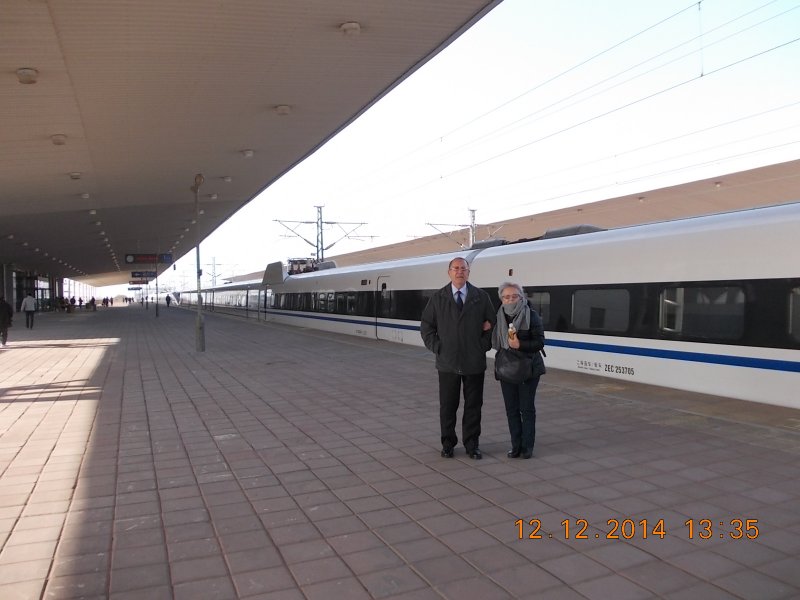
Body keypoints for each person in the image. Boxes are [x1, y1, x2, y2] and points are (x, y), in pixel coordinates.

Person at [420, 257, 496, 459]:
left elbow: (492, 324)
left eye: (463, 268)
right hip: (448, 362)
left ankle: (472, 444)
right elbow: (426, 327)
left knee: (473, 405)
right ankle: (448, 443)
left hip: (474, 362)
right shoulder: (438, 298)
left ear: (469, 272)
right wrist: (438, 348)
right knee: (448, 406)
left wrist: (482, 346)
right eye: (456, 268)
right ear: (449, 272)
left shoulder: (481, 297)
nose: (460, 271)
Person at [492, 282, 546, 459]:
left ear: (521, 297)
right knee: (511, 410)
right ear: (501, 299)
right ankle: (515, 445)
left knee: (526, 409)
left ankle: (527, 446)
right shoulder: (499, 316)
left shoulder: (532, 316)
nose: (510, 299)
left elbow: (539, 343)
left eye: (514, 296)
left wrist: (520, 344)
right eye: (506, 297)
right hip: (507, 369)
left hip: (528, 370)